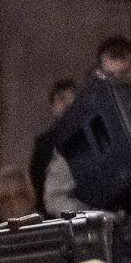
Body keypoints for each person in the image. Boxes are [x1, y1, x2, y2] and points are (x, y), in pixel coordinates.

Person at [43, 39, 131, 214]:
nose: (117, 85)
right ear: (99, 74)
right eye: (110, 77)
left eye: (124, 75)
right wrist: (95, 216)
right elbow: (55, 197)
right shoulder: (79, 125)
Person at [28, 78, 77, 207]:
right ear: (53, 106)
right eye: (61, 99)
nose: (67, 104)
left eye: (72, 99)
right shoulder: (44, 143)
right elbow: (38, 181)